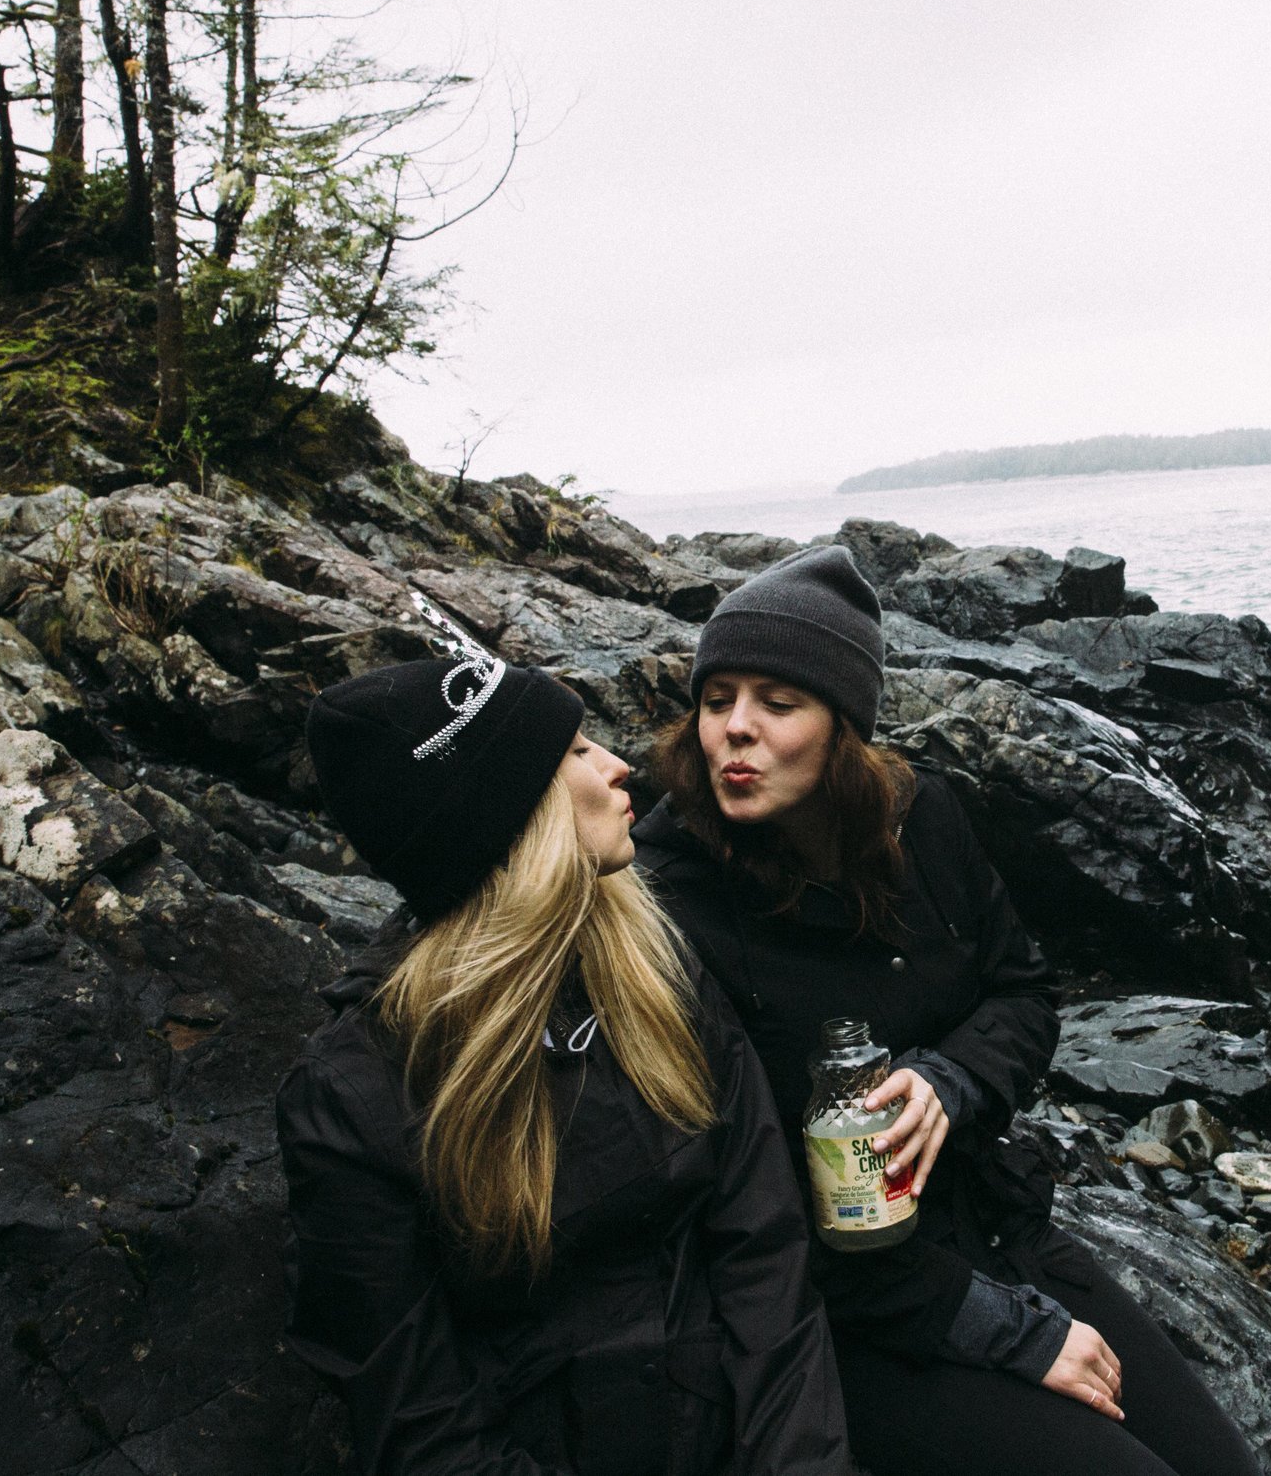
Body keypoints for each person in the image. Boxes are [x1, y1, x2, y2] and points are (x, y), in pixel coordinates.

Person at [632, 546, 1263, 1476]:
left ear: (843, 720)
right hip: (851, 1310)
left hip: (993, 1220)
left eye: (777, 701)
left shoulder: (918, 819)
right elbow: (745, 1210)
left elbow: (1023, 988)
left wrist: (949, 1080)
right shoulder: (672, 896)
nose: (735, 729)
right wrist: (1011, 1332)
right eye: (717, 697)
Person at [277, 631, 855, 1476]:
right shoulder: (357, 1090)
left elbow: (765, 1251)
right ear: (508, 817)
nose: (619, 765)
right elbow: (421, 1426)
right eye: (577, 749)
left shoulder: (654, 970)